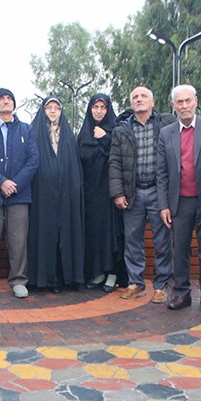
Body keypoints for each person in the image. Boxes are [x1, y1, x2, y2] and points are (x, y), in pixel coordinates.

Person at [110, 86, 177, 301]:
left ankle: (161, 285)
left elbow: (190, 125)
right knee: (132, 240)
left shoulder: (167, 123)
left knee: (162, 240)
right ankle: (135, 283)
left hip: (159, 192)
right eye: (135, 97)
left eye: (144, 96)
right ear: (131, 104)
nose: (139, 99)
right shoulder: (121, 130)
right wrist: (118, 193)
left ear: (153, 101)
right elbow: (115, 163)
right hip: (133, 193)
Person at [157, 85, 201, 311]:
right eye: (179, 102)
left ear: (195, 101)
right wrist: (163, 205)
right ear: (173, 106)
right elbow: (162, 172)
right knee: (179, 250)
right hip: (179, 202)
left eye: (187, 101)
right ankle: (181, 293)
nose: (184, 106)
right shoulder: (166, 133)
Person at [0, 88, 38, 299]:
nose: (6, 101)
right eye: (1, 99)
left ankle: (18, 280)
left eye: (9, 98)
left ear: (14, 103)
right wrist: (1, 182)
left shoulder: (26, 130)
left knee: (18, 240)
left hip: (19, 195)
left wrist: (15, 184)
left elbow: (33, 160)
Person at [29, 96, 85, 291]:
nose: (53, 111)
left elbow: (74, 166)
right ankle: (43, 278)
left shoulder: (68, 136)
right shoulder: (34, 133)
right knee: (44, 231)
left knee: (65, 232)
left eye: (57, 108)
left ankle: (64, 277)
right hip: (41, 194)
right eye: (49, 107)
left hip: (65, 194)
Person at [78, 94, 125, 291]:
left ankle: (112, 274)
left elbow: (121, 156)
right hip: (89, 194)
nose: (98, 111)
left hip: (109, 193)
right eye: (95, 107)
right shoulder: (83, 134)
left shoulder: (116, 132)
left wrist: (105, 137)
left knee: (110, 234)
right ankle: (97, 273)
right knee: (94, 234)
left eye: (103, 107)